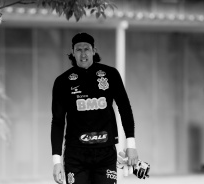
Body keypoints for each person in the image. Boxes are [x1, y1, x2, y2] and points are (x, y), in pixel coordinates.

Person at [51, 32, 138, 184]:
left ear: (94, 50)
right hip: (75, 155)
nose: (83, 53)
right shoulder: (62, 81)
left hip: (105, 152)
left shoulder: (110, 74)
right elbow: (58, 122)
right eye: (78, 49)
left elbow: (125, 108)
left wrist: (131, 145)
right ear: (73, 53)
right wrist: (56, 161)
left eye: (86, 49)